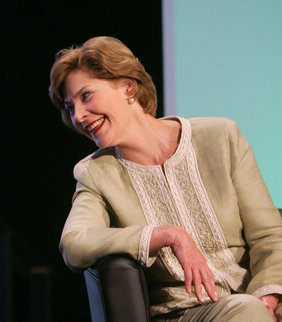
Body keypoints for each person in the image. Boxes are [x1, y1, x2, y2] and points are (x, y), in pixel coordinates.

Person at [49, 36, 282, 321]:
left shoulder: (221, 137)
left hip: (255, 301)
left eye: (85, 96)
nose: (79, 116)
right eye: (70, 107)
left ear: (127, 87)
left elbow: (269, 237)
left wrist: (267, 297)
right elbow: (74, 243)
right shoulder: (96, 173)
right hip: (183, 314)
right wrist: (165, 234)